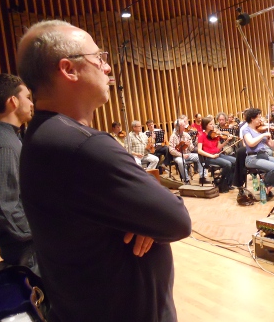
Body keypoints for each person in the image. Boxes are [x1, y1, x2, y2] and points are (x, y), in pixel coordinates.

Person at [17, 19, 192, 321]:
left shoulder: (42, 134)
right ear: (68, 69)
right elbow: (176, 220)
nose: (107, 68)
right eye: (98, 58)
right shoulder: (82, 146)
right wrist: (147, 218)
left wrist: (143, 218)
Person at [0, 74, 38, 274]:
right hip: (27, 251)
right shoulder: (3, 145)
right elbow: (1, 207)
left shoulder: (5, 137)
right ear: (13, 101)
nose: (31, 103)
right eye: (27, 97)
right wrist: (39, 231)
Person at [242, 108, 274, 198]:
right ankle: (265, 186)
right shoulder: (246, 130)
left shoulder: (261, 129)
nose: (261, 119)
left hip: (263, 155)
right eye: (259, 117)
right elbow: (251, 143)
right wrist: (263, 135)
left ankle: (267, 186)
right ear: (252, 118)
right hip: (252, 158)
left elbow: (272, 144)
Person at [198, 116, 236, 192]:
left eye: (213, 124)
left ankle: (228, 183)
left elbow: (218, 147)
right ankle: (221, 184)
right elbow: (199, 150)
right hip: (208, 158)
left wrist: (227, 141)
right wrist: (211, 156)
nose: (213, 126)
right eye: (210, 124)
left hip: (217, 155)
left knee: (235, 161)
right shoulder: (201, 135)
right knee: (228, 164)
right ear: (206, 126)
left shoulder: (215, 135)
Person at [168, 117, 205, 184]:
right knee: (180, 162)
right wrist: (182, 155)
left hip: (188, 154)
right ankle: (186, 180)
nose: (185, 126)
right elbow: (171, 150)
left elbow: (192, 149)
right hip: (178, 156)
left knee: (200, 156)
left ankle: (202, 177)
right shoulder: (173, 137)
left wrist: (189, 145)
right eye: (183, 125)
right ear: (178, 127)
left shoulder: (186, 135)